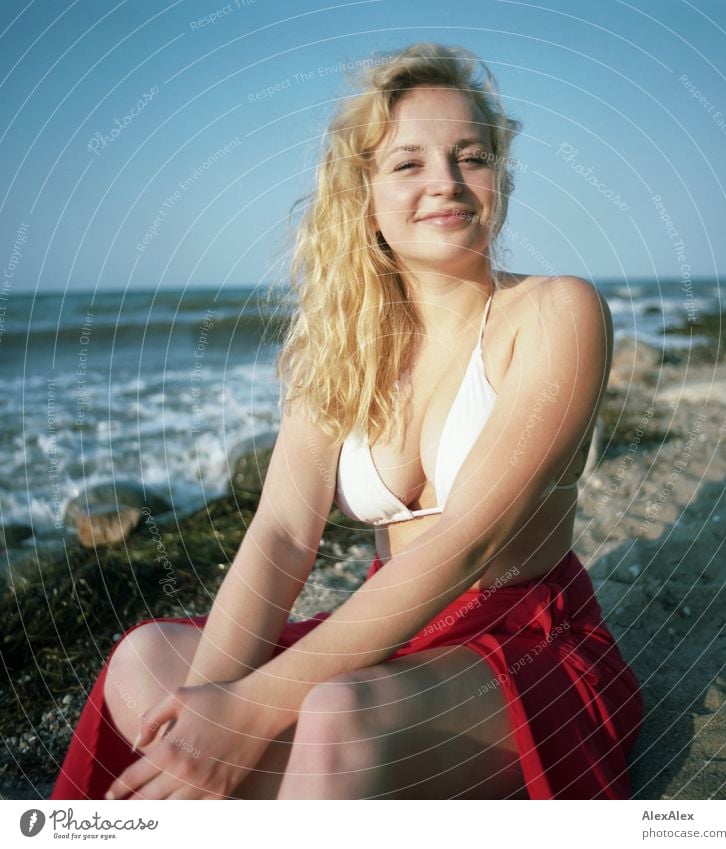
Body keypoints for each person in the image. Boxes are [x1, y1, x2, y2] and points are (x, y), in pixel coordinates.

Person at [51, 42, 643, 801]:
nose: (447, 183)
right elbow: (281, 536)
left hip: (522, 645)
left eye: (472, 156)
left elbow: (469, 544)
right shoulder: (342, 341)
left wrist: (255, 707)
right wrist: (204, 717)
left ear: (501, 175)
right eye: (409, 164)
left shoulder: (559, 311)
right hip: (388, 641)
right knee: (147, 662)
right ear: (361, 193)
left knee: (335, 715)